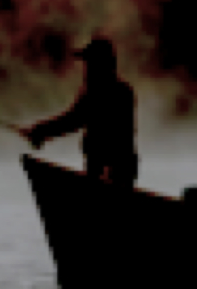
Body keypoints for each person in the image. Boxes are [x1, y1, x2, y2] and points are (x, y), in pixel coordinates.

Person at [22, 38, 139, 190]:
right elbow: (74, 119)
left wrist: (40, 132)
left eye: (89, 63)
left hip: (112, 172)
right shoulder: (122, 91)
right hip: (114, 170)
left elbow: (73, 120)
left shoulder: (102, 93)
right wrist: (41, 132)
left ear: (100, 64)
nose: (86, 68)